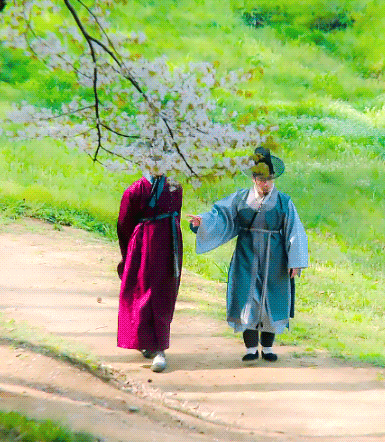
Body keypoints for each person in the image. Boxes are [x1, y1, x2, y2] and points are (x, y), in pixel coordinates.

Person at [187, 147, 308, 362]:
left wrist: (295, 261)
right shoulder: (240, 199)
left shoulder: (284, 202)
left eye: (268, 179)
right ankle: (251, 348)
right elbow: (221, 216)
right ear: (253, 178)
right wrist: (202, 222)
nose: (265, 183)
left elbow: (295, 231)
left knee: (271, 299)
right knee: (247, 298)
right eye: (261, 179)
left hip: (275, 259)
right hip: (246, 256)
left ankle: (268, 348)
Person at [116, 173, 183, 372]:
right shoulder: (134, 191)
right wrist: (128, 254)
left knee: (164, 295)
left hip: (168, 245)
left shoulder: (174, 186)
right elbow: (124, 225)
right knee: (141, 294)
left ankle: (160, 348)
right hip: (143, 246)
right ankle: (145, 341)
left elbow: (177, 215)